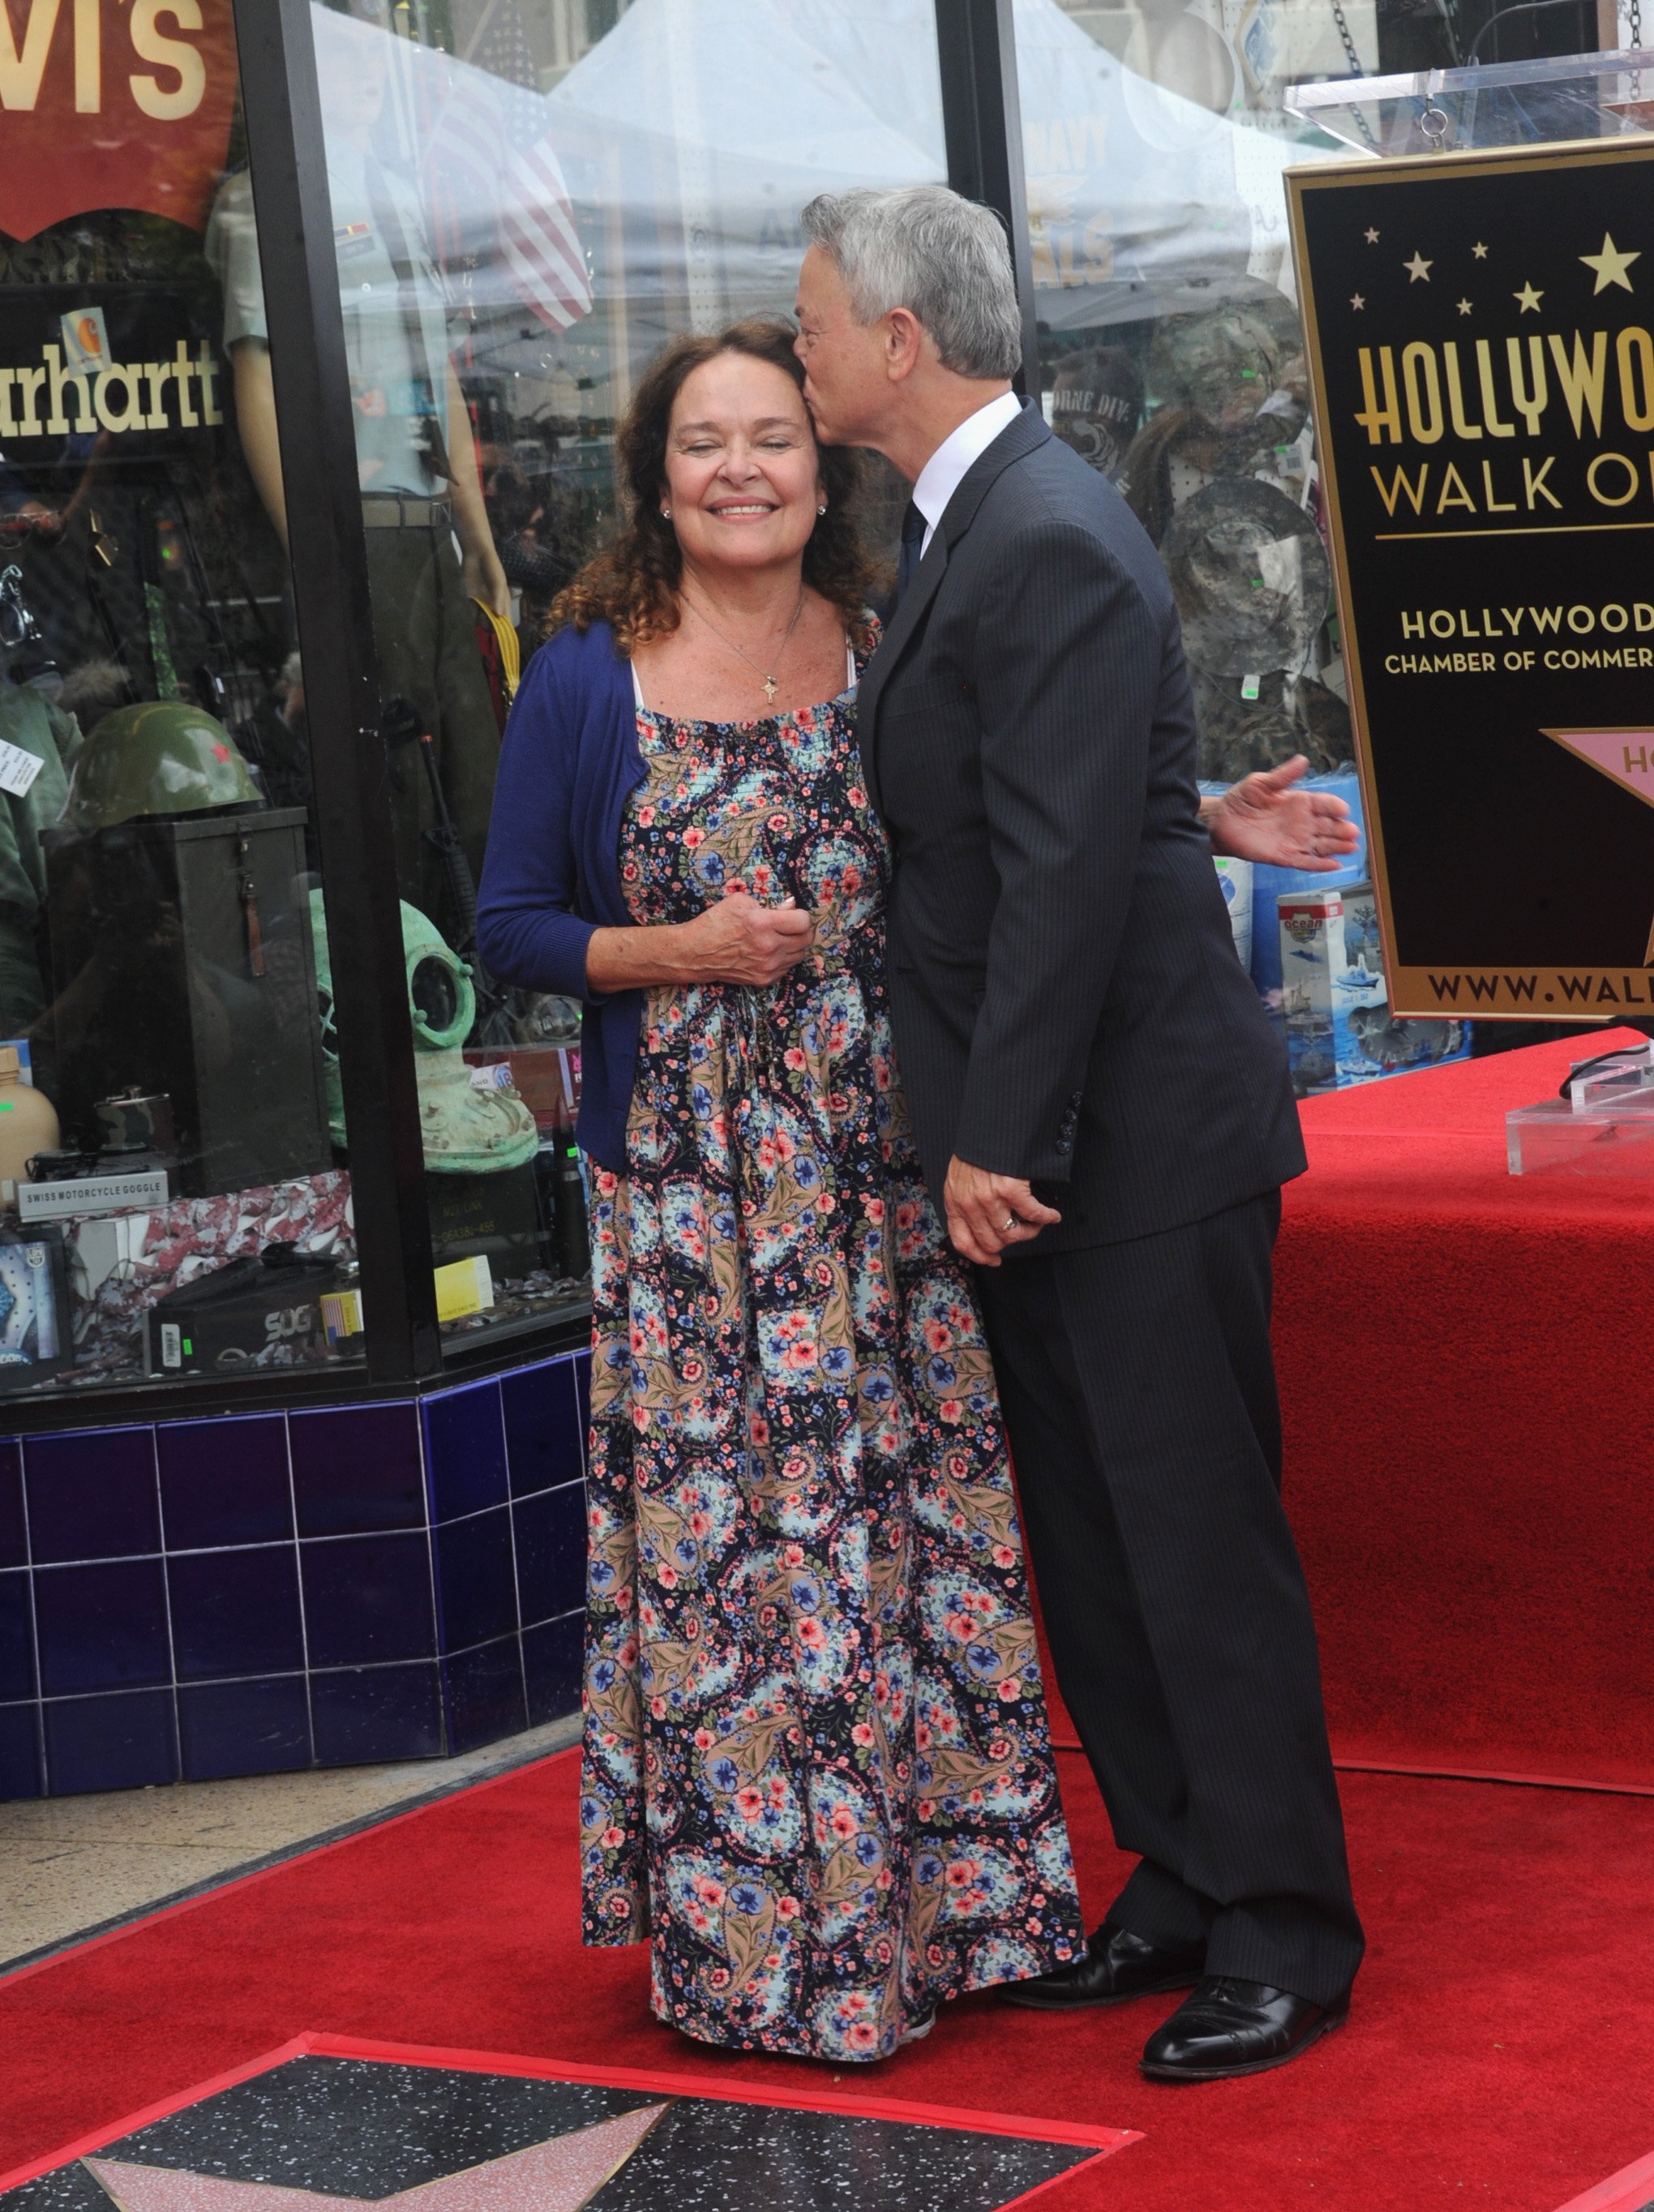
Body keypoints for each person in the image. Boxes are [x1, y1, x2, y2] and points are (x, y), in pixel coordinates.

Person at [793, 185, 1365, 2083]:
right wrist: (1192, 809)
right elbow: (1044, 794)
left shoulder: (1033, 528)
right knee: (1102, 1545)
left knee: (1189, 1539)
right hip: (1055, 1137)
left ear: (898, 338)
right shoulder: (984, 519)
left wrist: (993, 1135)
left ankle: (1286, 1922)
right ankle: (1186, 1873)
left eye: (811, 319)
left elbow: (1047, 871)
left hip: (1111, 1136)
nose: (793, 348)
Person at [474, 319, 1088, 2063]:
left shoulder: (890, 642)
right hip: (692, 1211)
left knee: (910, 1528)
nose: (738, 465)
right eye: (701, 440)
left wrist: (1197, 827)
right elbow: (510, 917)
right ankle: (762, 1947)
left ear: (824, 468)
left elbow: (1002, 848)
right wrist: (682, 946)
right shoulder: (591, 671)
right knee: (726, 1561)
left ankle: (952, 1914)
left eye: (770, 434)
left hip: (889, 1175)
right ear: (653, 480)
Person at [204, 0, 508, 934]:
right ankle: (416, 1007)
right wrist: (316, 549)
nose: (372, 74)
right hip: (361, 526)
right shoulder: (266, 203)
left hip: (431, 540)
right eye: (347, 57)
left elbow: (440, 378)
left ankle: (484, 981)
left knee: (477, 777)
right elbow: (261, 375)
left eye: (380, 58)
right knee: (395, 793)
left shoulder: (396, 200)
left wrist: (480, 538)